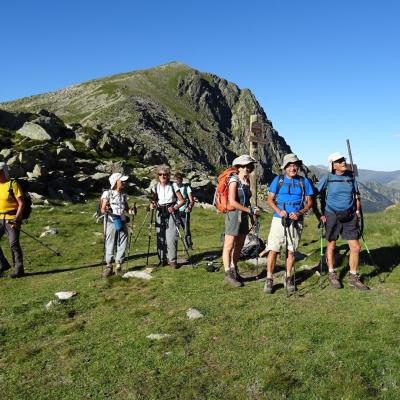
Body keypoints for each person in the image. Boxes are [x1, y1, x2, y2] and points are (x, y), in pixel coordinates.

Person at [314, 152, 368, 290]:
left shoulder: (351, 177)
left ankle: (353, 276)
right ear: (333, 165)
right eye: (339, 161)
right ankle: (331, 273)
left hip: (350, 216)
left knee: (356, 247)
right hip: (332, 215)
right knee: (331, 245)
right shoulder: (327, 178)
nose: (343, 162)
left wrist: (357, 212)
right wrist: (319, 214)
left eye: (343, 160)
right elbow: (314, 195)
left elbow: (356, 196)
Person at [264, 154, 314, 294]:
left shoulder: (304, 182)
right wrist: (280, 211)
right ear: (285, 167)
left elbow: (310, 202)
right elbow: (270, 200)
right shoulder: (278, 180)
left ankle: (288, 277)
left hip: (296, 219)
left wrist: (299, 212)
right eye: (290, 165)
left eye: (295, 165)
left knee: (291, 251)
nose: (293, 168)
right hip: (279, 218)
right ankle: (269, 279)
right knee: (273, 249)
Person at [222, 155, 260, 287]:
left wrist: (251, 216)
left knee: (239, 245)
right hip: (233, 215)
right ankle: (228, 273)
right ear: (238, 167)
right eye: (245, 166)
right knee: (229, 245)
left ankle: (234, 268)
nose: (248, 168)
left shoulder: (246, 181)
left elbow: (247, 202)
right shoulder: (234, 180)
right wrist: (248, 211)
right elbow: (232, 201)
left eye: (250, 166)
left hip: (243, 216)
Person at [101, 172, 136, 277]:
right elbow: (103, 209)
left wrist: (132, 211)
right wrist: (106, 209)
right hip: (111, 221)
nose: (124, 182)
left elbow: (127, 209)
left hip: (122, 221)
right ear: (115, 182)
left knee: (123, 242)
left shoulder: (123, 195)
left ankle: (119, 266)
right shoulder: (108, 194)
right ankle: (109, 266)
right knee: (110, 243)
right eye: (122, 181)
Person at [150, 166, 185, 268]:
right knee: (160, 236)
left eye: (165, 174)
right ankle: (162, 259)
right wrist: (152, 205)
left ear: (168, 175)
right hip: (160, 212)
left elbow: (182, 201)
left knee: (171, 237)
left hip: (172, 212)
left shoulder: (173, 186)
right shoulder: (155, 187)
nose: (163, 176)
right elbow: (154, 200)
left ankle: (172, 260)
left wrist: (175, 208)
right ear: (157, 175)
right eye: (160, 174)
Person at [0, 162, 25, 278]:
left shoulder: (13, 184)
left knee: (13, 244)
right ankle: (4, 264)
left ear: (4, 172)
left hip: (12, 219)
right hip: (0, 218)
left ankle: (18, 270)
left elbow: (21, 203)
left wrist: (16, 219)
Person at [173, 172, 195, 250]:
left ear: (181, 180)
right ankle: (173, 248)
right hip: (175, 211)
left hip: (184, 211)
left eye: (178, 180)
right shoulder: (173, 187)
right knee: (175, 231)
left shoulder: (186, 188)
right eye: (175, 180)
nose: (176, 182)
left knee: (186, 230)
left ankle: (189, 246)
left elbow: (192, 200)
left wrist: (189, 207)